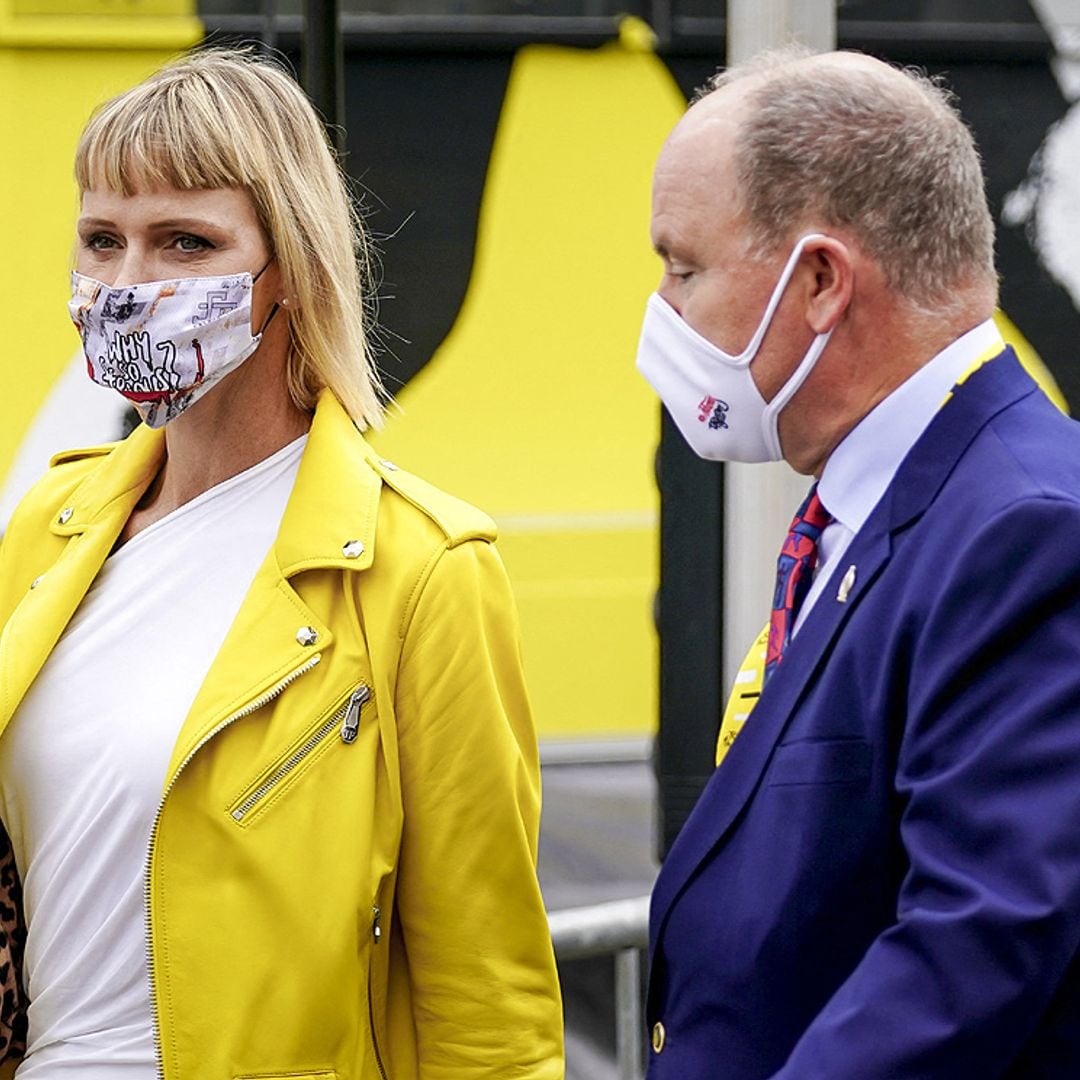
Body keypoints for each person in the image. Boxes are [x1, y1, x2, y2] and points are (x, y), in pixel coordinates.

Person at [0, 48, 564, 1078]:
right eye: (101, 240)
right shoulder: (47, 530)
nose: (129, 286)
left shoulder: (424, 569)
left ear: (291, 272)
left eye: (185, 242)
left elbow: (486, 1000)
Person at [635, 47, 1080, 1079]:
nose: (664, 312)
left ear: (823, 280)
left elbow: (973, 947)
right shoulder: (891, 500)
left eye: (684, 267)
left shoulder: (1028, 529)